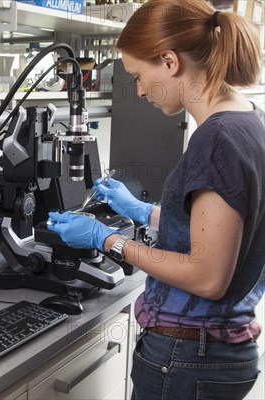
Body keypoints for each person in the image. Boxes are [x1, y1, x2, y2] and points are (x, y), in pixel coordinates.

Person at [47, 0, 264, 398]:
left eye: (137, 75)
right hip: (215, 350)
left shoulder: (217, 139)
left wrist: (106, 239)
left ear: (169, 61)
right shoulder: (250, 118)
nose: (140, 90)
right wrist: (145, 212)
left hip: (188, 354)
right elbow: (223, 232)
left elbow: (207, 276)